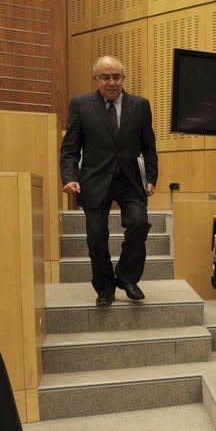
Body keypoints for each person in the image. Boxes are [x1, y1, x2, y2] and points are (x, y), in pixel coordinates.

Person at [60, 55, 158, 306]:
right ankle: (105, 288)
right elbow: (70, 148)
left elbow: (149, 147)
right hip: (94, 179)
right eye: (106, 77)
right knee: (96, 235)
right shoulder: (81, 105)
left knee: (139, 223)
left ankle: (127, 277)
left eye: (117, 77)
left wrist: (151, 177)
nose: (112, 82)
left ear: (124, 78)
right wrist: (69, 177)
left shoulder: (140, 105)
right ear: (96, 79)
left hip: (130, 180)